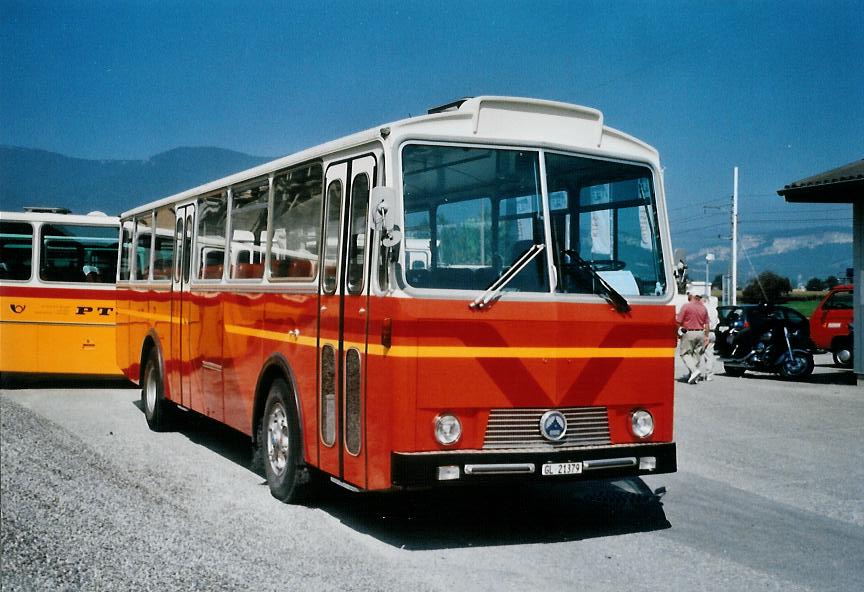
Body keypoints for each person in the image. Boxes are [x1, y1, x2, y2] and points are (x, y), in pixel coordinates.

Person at [676, 290, 710, 383]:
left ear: (691, 295)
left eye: (688, 294)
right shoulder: (703, 308)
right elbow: (707, 324)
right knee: (696, 355)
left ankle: (694, 371)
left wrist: (677, 333)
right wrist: (706, 336)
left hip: (689, 332)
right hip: (700, 333)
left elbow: (678, 321)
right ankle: (692, 375)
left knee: (685, 353)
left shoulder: (686, 306)